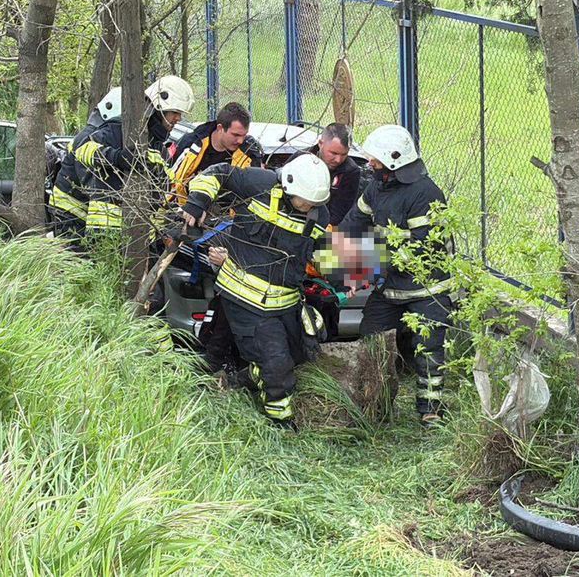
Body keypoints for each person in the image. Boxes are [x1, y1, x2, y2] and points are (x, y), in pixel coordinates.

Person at [181, 154, 332, 428]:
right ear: (288, 186)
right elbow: (217, 173)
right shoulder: (259, 183)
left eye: (314, 204)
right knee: (276, 364)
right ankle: (281, 424)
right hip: (247, 297)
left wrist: (356, 269)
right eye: (305, 201)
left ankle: (238, 380)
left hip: (285, 303)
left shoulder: (319, 213)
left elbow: (321, 254)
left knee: (299, 355)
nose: (309, 207)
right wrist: (198, 201)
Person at [340, 124, 455, 425]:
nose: (370, 164)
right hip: (389, 287)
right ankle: (375, 406)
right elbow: (354, 223)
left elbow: (423, 248)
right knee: (372, 340)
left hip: (426, 288)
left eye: (375, 160)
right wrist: (345, 268)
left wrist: (371, 268)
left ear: (393, 161)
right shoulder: (376, 187)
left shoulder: (426, 194)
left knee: (428, 350)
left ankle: (430, 412)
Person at [76, 76, 195, 233]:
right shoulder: (120, 131)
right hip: (105, 231)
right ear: (158, 108)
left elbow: (163, 194)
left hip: (142, 235)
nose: (178, 118)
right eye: (174, 112)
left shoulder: (160, 148)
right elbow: (82, 150)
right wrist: (117, 157)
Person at [48, 87, 122, 242]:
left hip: (70, 206)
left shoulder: (89, 134)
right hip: (70, 209)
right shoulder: (90, 137)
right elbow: (90, 179)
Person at [168, 102, 264, 205]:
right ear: (220, 128)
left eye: (244, 135)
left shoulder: (249, 153)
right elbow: (169, 180)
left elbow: (255, 194)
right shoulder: (191, 144)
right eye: (235, 135)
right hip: (187, 210)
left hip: (231, 216)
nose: (240, 141)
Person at [309, 122, 362, 228]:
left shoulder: (350, 172)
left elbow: (339, 214)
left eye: (344, 154)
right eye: (333, 153)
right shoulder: (302, 159)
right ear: (320, 143)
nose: (338, 160)